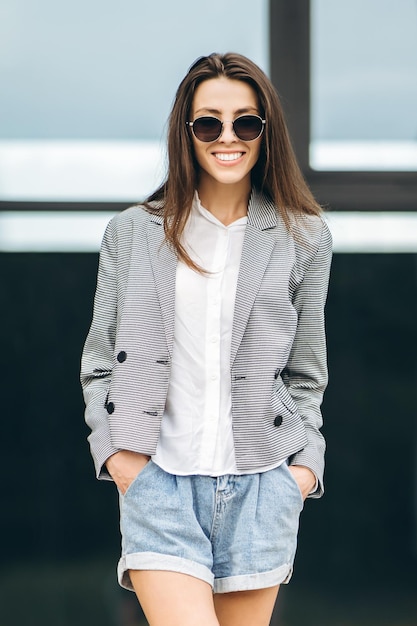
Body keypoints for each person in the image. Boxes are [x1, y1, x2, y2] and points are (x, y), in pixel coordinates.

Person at [80, 52, 332, 626]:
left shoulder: (305, 237)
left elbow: (306, 374)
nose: (228, 137)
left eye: (246, 122)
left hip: (262, 486)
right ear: (186, 131)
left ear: (265, 133)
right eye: (208, 122)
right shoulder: (133, 232)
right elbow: (98, 364)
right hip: (157, 483)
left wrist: (302, 472)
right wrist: (117, 459)